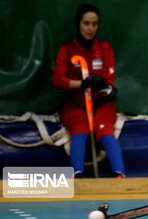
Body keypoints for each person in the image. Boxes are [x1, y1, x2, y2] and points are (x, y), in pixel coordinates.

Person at [52, 3, 125, 178]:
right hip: (75, 104)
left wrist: (104, 87)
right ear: (78, 24)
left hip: (102, 104)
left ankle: (120, 176)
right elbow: (58, 79)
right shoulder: (68, 49)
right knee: (80, 129)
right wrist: (80, 84)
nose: (90, 28)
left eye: (94, 24)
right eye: (86, 23)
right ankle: (78, 175)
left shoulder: (105, 48)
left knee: (104, 130)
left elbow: (110, 79)